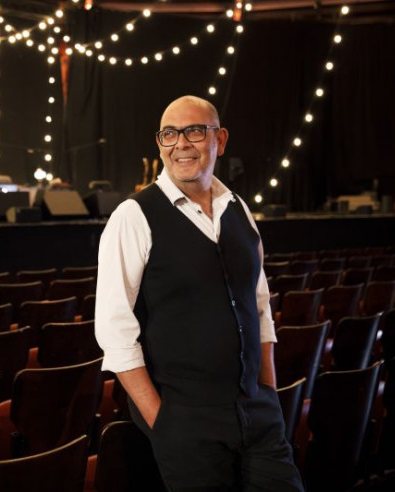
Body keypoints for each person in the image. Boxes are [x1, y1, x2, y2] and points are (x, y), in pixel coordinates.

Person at [95, 95, 303, 491]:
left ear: (219, 140)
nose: (180, 144)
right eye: (169, 134)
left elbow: (259, 309)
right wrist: (163, 422)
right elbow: (114, 330)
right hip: (185, 422)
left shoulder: (239, 209)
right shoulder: (133, 216)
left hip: (258, 414)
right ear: (159, 144)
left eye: (193, 131)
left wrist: (268, 394)